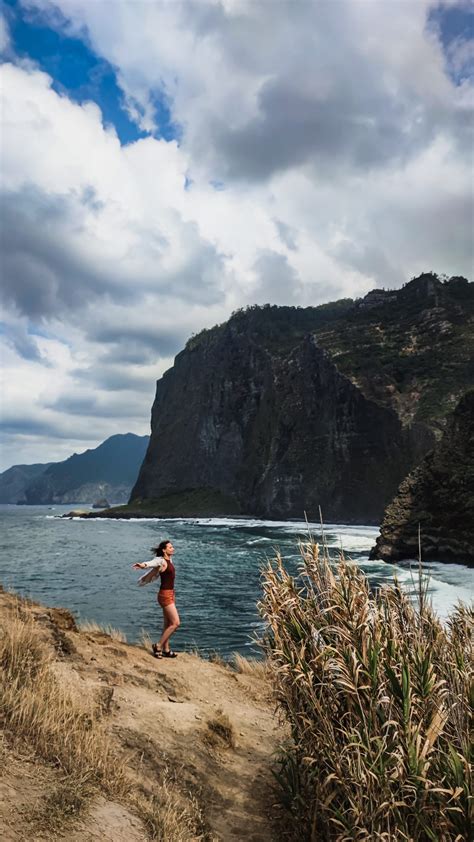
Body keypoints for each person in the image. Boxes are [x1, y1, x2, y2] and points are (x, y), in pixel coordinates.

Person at [132, 539, 180, 659]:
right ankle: (158, 646)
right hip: (165, 596)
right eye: (170, 547)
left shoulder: (169, 559)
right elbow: (151, 563)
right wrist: (142, 565)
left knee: (167, 623)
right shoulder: (161, 560)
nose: (172, 548)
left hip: (170, 594)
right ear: (164, 550)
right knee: (175, 623)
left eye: (172, 547)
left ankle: (166, 649)